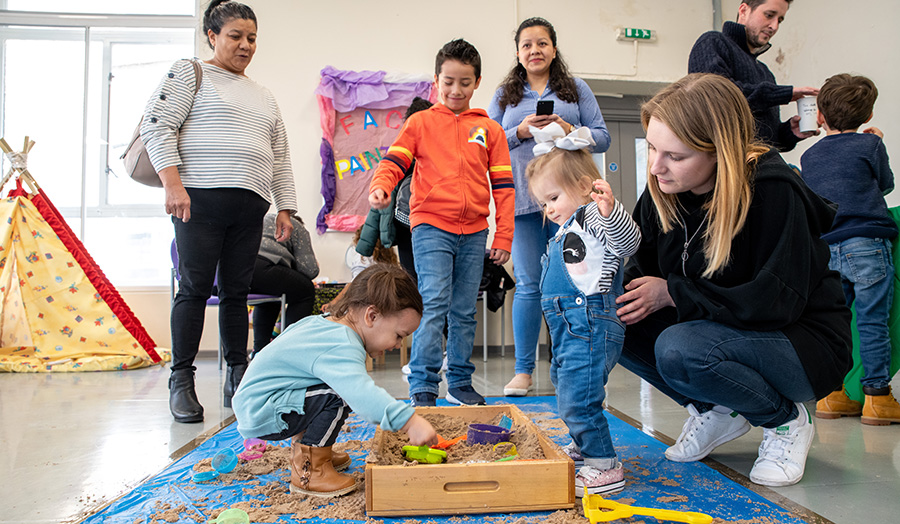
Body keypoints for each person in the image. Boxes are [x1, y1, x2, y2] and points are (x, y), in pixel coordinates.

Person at [616, 73, 852, 487]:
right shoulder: (662, 190)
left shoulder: (772, 191)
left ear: (717, 151)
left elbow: (774, 302)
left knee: (679, 348)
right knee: (610, 321)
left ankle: (785, 420)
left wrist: (674, 293)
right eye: (652, 147)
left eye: (675, 155)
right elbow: (642, 267)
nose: (655, 166)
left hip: (801, 343)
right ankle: (716, 409)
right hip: (725, 331)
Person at [141, 0, 298, 422]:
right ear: (212, 36)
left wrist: (286, 208)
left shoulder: (263, 95)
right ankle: (182, 380)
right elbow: (157, 125)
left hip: (251, 207)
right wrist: (173, 184)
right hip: (199, 201)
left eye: (251, 38)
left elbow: (279, 156)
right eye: (235, 36)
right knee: (193, 289)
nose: (245, 45)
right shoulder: (190, 72)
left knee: (236, 293)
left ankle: (239, 378)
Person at [369, 39, 514, 407]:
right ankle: (424, 385)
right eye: (448, 81)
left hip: (475, 231)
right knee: (433, 303)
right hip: (431, 226)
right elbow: (393, 162)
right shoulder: (421, 123)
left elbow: (504, 186)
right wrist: (381, 187)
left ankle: (461, 383)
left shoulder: (489, 130)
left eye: (464, 82)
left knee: (464, 309)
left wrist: (505, 235)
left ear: (477, 82)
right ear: (436, 80)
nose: (455, 90)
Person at [232, 264, 437, 497]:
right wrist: (409, 421)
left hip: (262, 403)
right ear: (372, 316)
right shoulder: (342, 344)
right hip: (263, 411)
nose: (398, 345)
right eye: (399, 336)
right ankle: (311, 470)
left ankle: (311, 448)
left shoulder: (326, 324)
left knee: (331, 390)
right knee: (340, 395)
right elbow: (362, 395)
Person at [488, 17, 611, 397]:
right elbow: (485, 142)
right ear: (518, 53)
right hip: (524, 202)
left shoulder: (576, 89)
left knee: (573, 282)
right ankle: (523, 372)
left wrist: (568, 131)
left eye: (541, 43)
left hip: (574, 202)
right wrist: (520, 132)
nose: (534, 50)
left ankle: (568, 364)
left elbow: (603, 137)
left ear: (554, 49)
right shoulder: (505, 95)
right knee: (527, 284)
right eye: (526, 45)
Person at [525, 125, 640, 495]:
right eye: (543, 203)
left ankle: (604, 465)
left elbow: (627, 243)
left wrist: (610, 210)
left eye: (554, 197)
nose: (549, 208)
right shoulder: (563, 229)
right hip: (567, 326)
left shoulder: (593, 217)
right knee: (567, 387)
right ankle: (583, 444)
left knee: (579, 395)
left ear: (585, 186)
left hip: (589, 319)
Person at [799, 74, 900, 425]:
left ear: (821, 116)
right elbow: (885, 185)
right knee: (873, 322)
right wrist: (878, 144)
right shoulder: (870, 146)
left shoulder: (809, 156)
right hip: (866, 245)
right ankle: (877, 398)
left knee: (836, 325)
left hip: (827, 251)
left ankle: (832, 395)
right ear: (868, 116)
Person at [688, 0, 819, 152]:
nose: (774, 26)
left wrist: (790, 132)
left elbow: (768, 143)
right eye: (769, 15)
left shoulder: (765, 73)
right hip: (725, 170)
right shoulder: (713, 42)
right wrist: (782, 94)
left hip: (761, 171)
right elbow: (717, 97)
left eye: (780, 20)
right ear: (743, 10)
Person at [357, 97, 435, 285]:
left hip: (408, 224)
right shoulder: (407, 152)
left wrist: (366, 244)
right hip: (412, 224)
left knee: (416, 280)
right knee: (423, 281)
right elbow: (384, 194)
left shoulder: (405, 150)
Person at [249, 213, 318, 357]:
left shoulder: (262, 218)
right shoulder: (295, 226)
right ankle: (288, 349)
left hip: (231, 271)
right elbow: (310, 270)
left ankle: (260, 351)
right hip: (261, 267)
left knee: (271, 293)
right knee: (306, 290)